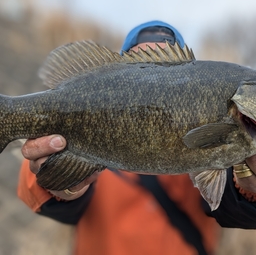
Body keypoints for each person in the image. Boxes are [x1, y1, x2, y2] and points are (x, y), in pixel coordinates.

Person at [17, 20, 256, 255]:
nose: (153, 80)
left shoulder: (227, 143)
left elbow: (234, 210)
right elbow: (48, 204)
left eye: (161, 67)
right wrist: (58, 183)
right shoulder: (86, 139)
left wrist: (249, 190)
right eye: (141, 65)